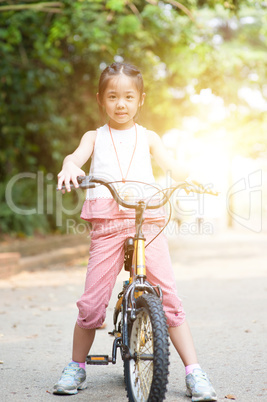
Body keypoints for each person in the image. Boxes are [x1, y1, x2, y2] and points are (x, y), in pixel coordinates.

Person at [54, 62, 217, 402]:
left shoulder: (149, 137)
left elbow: (172, 166)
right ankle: (76, 365)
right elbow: (76, 157)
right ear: (101, 99)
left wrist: (189, 175)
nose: (121, 104)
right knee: (92, 302)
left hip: (148, 220)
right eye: (113, 96)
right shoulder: (94, 137)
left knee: (169, 298)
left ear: (140, 100)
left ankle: (194, 372)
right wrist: (70, 166)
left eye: (129, 97)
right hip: (108, 222)